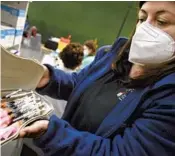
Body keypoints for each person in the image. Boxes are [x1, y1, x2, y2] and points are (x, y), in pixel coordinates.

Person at [19, 1, 175, 156]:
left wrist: (52, 133)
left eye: (161, 21)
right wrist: (46, 77)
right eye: (142, 18)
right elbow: (80, 84)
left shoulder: (169, 96)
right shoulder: (112, 55)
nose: (144, 28)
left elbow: (121, 152)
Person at [45, 42, 84, 117]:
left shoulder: (51, 74)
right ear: (79, 63)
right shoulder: (79, 85)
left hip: (42, 116)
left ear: (62, 56)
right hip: (58, 123)